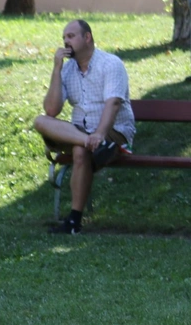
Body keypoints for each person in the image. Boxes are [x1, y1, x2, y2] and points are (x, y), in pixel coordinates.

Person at [32, 19, 136, 234]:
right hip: (83, 134)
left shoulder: (110, 64)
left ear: (87, 37)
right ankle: (88, 143)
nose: (65, 42)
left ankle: (73, 221)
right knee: (40, 121)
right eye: (64, 38)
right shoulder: (68, 70)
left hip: (112, 132)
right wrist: (56, 69)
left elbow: (113, 103)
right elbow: (52, 110)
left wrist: (99, 133)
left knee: (80, 151)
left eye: (70, 36)